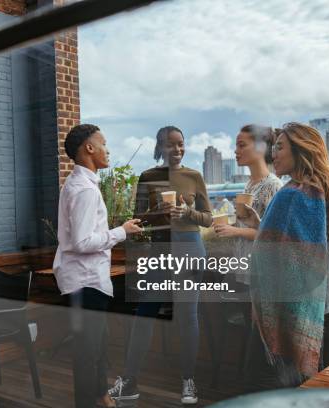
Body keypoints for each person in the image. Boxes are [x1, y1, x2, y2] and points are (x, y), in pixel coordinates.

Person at [108, 126, 212, 405]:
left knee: (187, 316)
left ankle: (188, 380)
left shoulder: (194, 176)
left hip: (190, 249)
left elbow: (208, 219)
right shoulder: (148, 177)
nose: (177, 150)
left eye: (181, 144)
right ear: (160, 148)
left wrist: (186, 212)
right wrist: (158, 213)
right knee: (144, 314)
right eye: (171, 145)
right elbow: (137, 220)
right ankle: (129, 380)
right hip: (159, 252)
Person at [238, 122, 329, 387]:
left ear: (300, 151)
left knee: (261, 387)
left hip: (281, 317)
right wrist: (261, 225)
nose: (274, 153)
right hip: (300, 316)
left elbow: (302, 261)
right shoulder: (311, 190)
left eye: (281, 147)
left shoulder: (295, 193)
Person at [53, 124, 143, 408]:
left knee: (95, 347)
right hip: (86, 281)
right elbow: (81, 241)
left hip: (86, 280)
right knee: (88, 353)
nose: (108, 150)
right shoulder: (85, 190)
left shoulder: (80, 184)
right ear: (89, 148)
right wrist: (122, 231)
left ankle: (102, 398)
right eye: (103, 143)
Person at [213, 125, 283, 288]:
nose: (236, 151)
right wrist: (228, 224)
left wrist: (234, 231)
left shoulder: (273, 186)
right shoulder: (249, 185)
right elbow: (247, 222)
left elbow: (273, 235)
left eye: (242, 145)